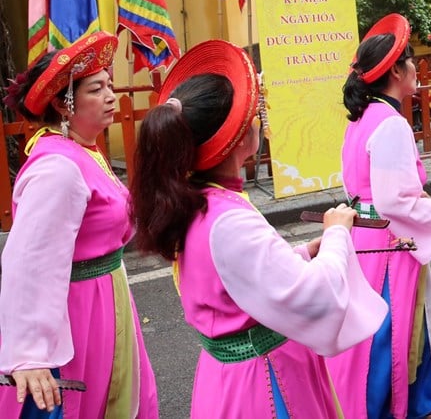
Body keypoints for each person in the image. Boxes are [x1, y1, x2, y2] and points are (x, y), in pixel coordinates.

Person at [130, 40, 387, 417]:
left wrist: (300, 253)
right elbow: (314, 296)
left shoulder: (198, 199)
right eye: (253, 113)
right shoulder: (228, 218)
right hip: (263, 384)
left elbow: (238, 277)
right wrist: (336, 234)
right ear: (234, 139)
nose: (259, 119)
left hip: (229, 377)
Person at [0, 32, 158, 418]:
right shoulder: (57, 168)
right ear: (63, 103)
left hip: (107, 296)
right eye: (95, 89)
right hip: (77, 309)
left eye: (109, 85)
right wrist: (32, 354)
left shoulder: (84, 152)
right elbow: (29, 262)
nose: (109, 96)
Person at [327, 14, 431, 419]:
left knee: (393, 324)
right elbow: (396, 201)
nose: (416, 68)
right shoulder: (392, 124)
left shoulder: (361, 119)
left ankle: (417, 402)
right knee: (391, 330)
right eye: (411, 60)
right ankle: (394, 406)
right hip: (386, 240)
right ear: (397, 70)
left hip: (362, 237)